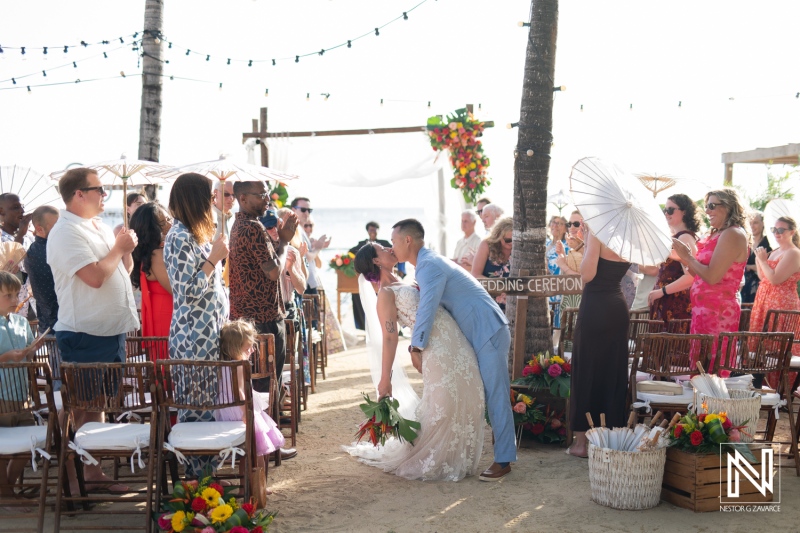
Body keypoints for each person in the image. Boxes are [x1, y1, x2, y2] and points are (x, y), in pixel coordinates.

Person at [346, 242, 484, 481]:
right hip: (435, 350)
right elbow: (389, 339)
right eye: (383, 248)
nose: (391, 248)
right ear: (376, 261)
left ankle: (460, 455)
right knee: (443, 403)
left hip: (456, 341)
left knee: (471, 393)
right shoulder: (385, 296)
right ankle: (437, 458)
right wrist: (384, 381)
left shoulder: (405, 281)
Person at [391, 219, 515, 481]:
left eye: (393, 241)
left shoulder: (429, 266)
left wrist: (416, 346)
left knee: (496, 394)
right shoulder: (428, 263)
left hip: (488, 330)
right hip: (482, 331)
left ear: (407, 241)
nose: (392, 247)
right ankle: (501, 454)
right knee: (487, 393)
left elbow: (427, 307)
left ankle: (504, 460)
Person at [48, 167, 140, 492]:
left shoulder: (94, 226)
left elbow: (119, 272)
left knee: (98, 403)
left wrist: (124, 251)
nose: (105, 195)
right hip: (83, 333)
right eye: (100, 189)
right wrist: (117, 249)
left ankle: (92, 471)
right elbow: (95, 277)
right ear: (79, 194)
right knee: (78, 407)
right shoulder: (65, 233)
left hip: (109, 331)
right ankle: (71, 478)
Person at [164, 173, 229, 477]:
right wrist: (214, 260)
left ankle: (206, 477)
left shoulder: (193, 236)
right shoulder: (178, 237)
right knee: (196, 409)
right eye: (210, 197)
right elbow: (188, 291)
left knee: (208, 406)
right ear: (196, 200)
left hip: (206, 335)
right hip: (193, 338)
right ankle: (197, 480)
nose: (213, 203)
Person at [566, 224, 631, 458]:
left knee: (586, 370)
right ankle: (610, 438)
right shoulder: (629, 233)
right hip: (617, 306)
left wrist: (590, 241)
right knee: (613, 371)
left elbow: (588, 274)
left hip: (596, 306)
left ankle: (581, 443)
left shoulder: (600, 232)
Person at [673, 189, 750, 368]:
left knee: (713, 370)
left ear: (729, 207)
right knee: (699, 369)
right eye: (706, 206)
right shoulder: (714, 234)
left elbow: (713, 277)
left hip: (719, 313)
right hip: (702, 311)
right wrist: (684, 259)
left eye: (712, 206)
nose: (707, 211)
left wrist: (689, 257)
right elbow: (699, 274)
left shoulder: (733, 234)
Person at [218, 319, 286, 481]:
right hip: (242, 408)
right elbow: (241, 392)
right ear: (235, 348)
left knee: (244, 451)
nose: (252, 350)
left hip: (224, 410)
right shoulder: (240, 365)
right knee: (257, 450)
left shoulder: (221, 364)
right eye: (248, 348)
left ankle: (247, 481)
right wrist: (245, 413)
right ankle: (258, 483)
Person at [0, 270, 45, 505]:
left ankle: (6, 489)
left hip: (22, 393)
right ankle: (7, 494)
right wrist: (5, 357)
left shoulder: (20, 321)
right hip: (1, 396)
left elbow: (27, 350)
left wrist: (33, 349)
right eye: (8, 295)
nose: (15, 300)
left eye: (16, 294)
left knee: (29, 442)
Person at [750, 216, 800, 390]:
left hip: (782, 303)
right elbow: (762, 276)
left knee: (778, 346)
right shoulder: (776, 250)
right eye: (774, 229)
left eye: (781, 230)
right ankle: (761, 386)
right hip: (765, 300)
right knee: (762, 345)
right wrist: (758, 258)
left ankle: (781, 389)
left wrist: (763, 261)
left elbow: (776, 279)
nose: (777, 233)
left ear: (791, 232)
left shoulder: (793, 253)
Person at [646, 194, 700, 324]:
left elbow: (691, 277)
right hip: (667, 300)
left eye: (670, 210)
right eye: (665, 210)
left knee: (670, 344)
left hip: (676, 303)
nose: (666, 213)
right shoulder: (675, 237)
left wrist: (661, 292)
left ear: (684, 212)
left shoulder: (684, 238)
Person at [130, 202, 173, 341]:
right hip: (166, 313)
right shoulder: (156, 254)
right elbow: (175, 288)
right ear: (151, 229)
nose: (169, 225)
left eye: (168, 219)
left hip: (163, 310)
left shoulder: (154, 252)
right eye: (162, 223)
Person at [24, 206, 60, 334]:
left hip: (53, 324)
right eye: (56, 227)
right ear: (39, 228)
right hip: (58, 326)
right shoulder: (41, 252)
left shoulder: (40, 249)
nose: (60, 230)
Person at [349, 222, 391, 330]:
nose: (373, 232)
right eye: (370, 230)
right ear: (367, 231)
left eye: (374, 230)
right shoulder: (361, 244)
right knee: (359, 297)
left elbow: (394, 254)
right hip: (370, 278)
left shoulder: (384, 243)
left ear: (378, 230)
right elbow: (350, 253)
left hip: (382, 278)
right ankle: (363, 326)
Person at [0, 193, 34, 318]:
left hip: (33, 305)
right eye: (15, 207)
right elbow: (8, 266)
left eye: (22, 207)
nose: (22, 211)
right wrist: (20, 235)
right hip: (9, 307)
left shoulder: (30, 237)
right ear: (1, 211)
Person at [471, 217, 513, 310]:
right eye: (508, 240)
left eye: (515, 239)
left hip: (512, 303)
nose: (511, 243)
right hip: (487, 301)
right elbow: (475, 274)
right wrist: (499, 287)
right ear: (498, 236)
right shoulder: (486, 245)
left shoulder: (519, 249)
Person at [291, 197, 329, 294]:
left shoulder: (300, 230)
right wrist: (318, 248)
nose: (307, 213)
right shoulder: (295, 230)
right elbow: (305, 257)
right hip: (304, 283)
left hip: (308, 281)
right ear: (293, 210)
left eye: (309, 210)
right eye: (303, 210)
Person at [555, 210, 585, 323]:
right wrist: (562, 254)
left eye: (576, 224)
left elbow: (584, 279)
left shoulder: (588, 250)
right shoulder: (573, 250)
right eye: (569, 224)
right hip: (568, 308)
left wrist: (564, 266)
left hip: (581, 309)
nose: (571, 227)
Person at [742, 211, 772, 304]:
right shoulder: (744, 241)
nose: (752, 226)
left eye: (755, 222)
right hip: (742, 284)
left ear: (763, 224)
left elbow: (771, 265)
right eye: (750, 223)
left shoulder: (769, 243)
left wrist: (750, 267)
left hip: (759, 284)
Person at [546, 215, 569, 329]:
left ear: (565, 228)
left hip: (558, 286)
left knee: (556, 321)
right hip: (544, 286)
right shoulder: (545, 243)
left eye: (559, 224)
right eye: (553, 222)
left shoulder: (566, 246)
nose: (555, 225)